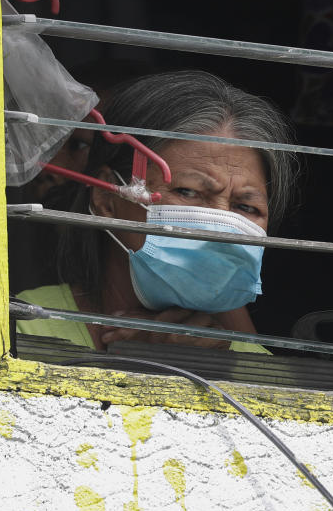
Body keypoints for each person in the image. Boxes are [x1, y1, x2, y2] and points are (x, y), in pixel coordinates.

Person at [15, 71, 298, 353]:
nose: (220, 225)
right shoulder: (22, 326)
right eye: (188, 191)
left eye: (245, 207)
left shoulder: (256, 368)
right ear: (107, 200)